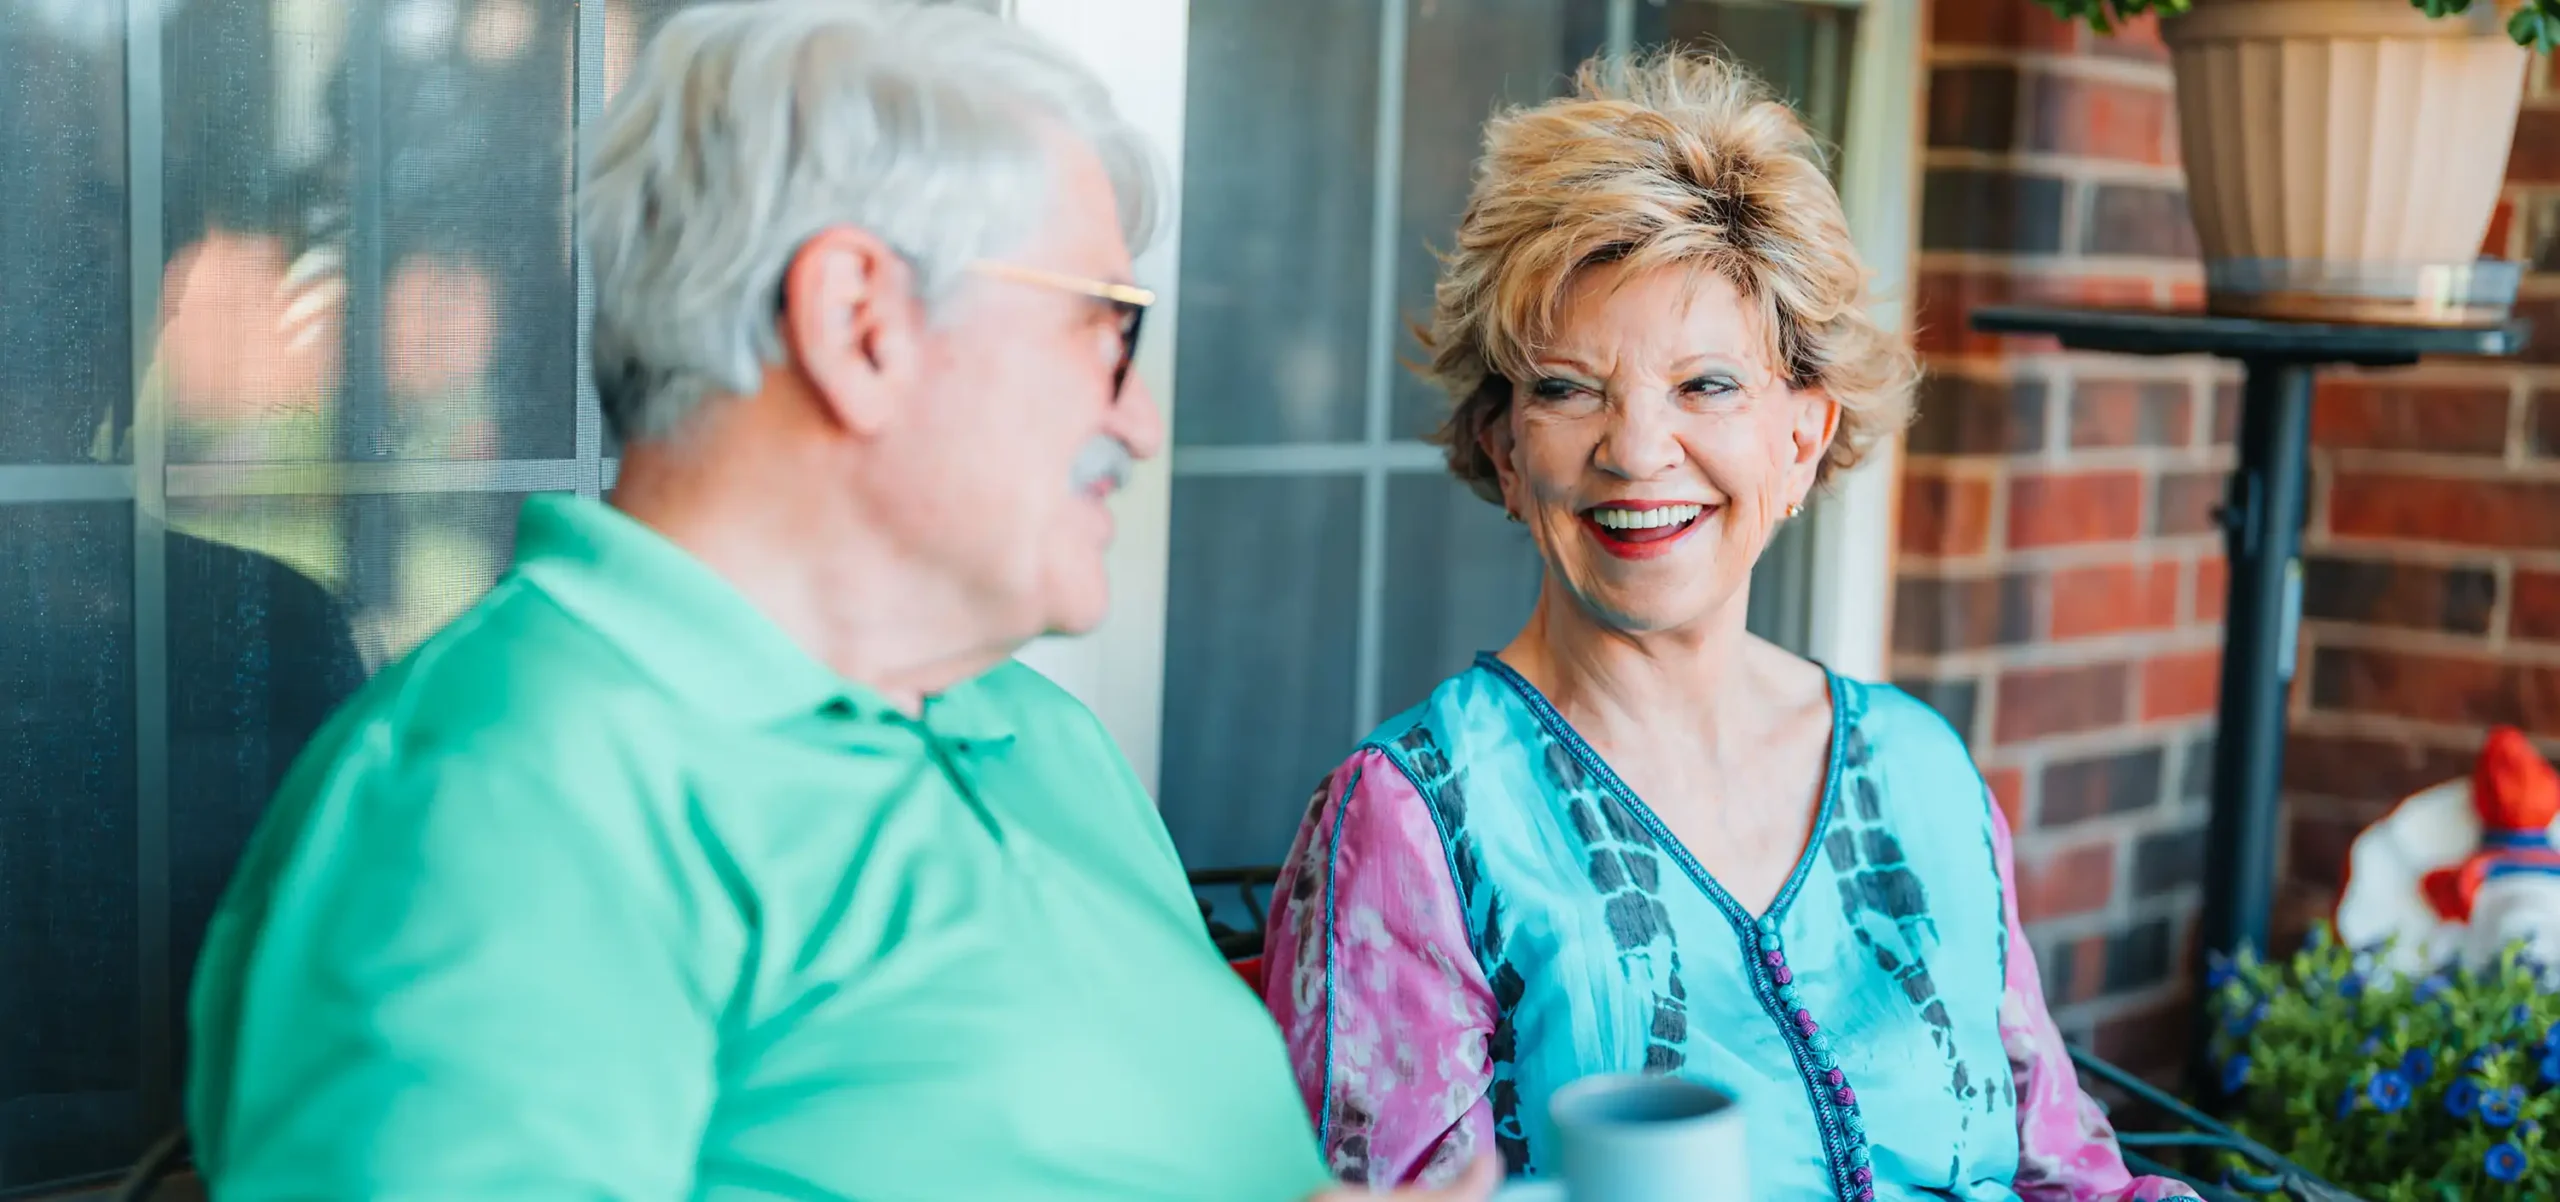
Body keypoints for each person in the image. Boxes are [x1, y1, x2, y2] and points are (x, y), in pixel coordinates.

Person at [184, 3, 1496, 1199]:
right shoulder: (509, 794)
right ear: (860, 320)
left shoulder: (1039, 738)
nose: (1139, 421)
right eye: (1105, 330)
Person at [1258, 51, 2200, 1202]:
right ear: (1504, 450)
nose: (1637, 450)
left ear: (1802, 436)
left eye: (1706, 385)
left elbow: (2070, 1171)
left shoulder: (1921, 772)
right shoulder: (1414, 819)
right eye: (1567, 388)